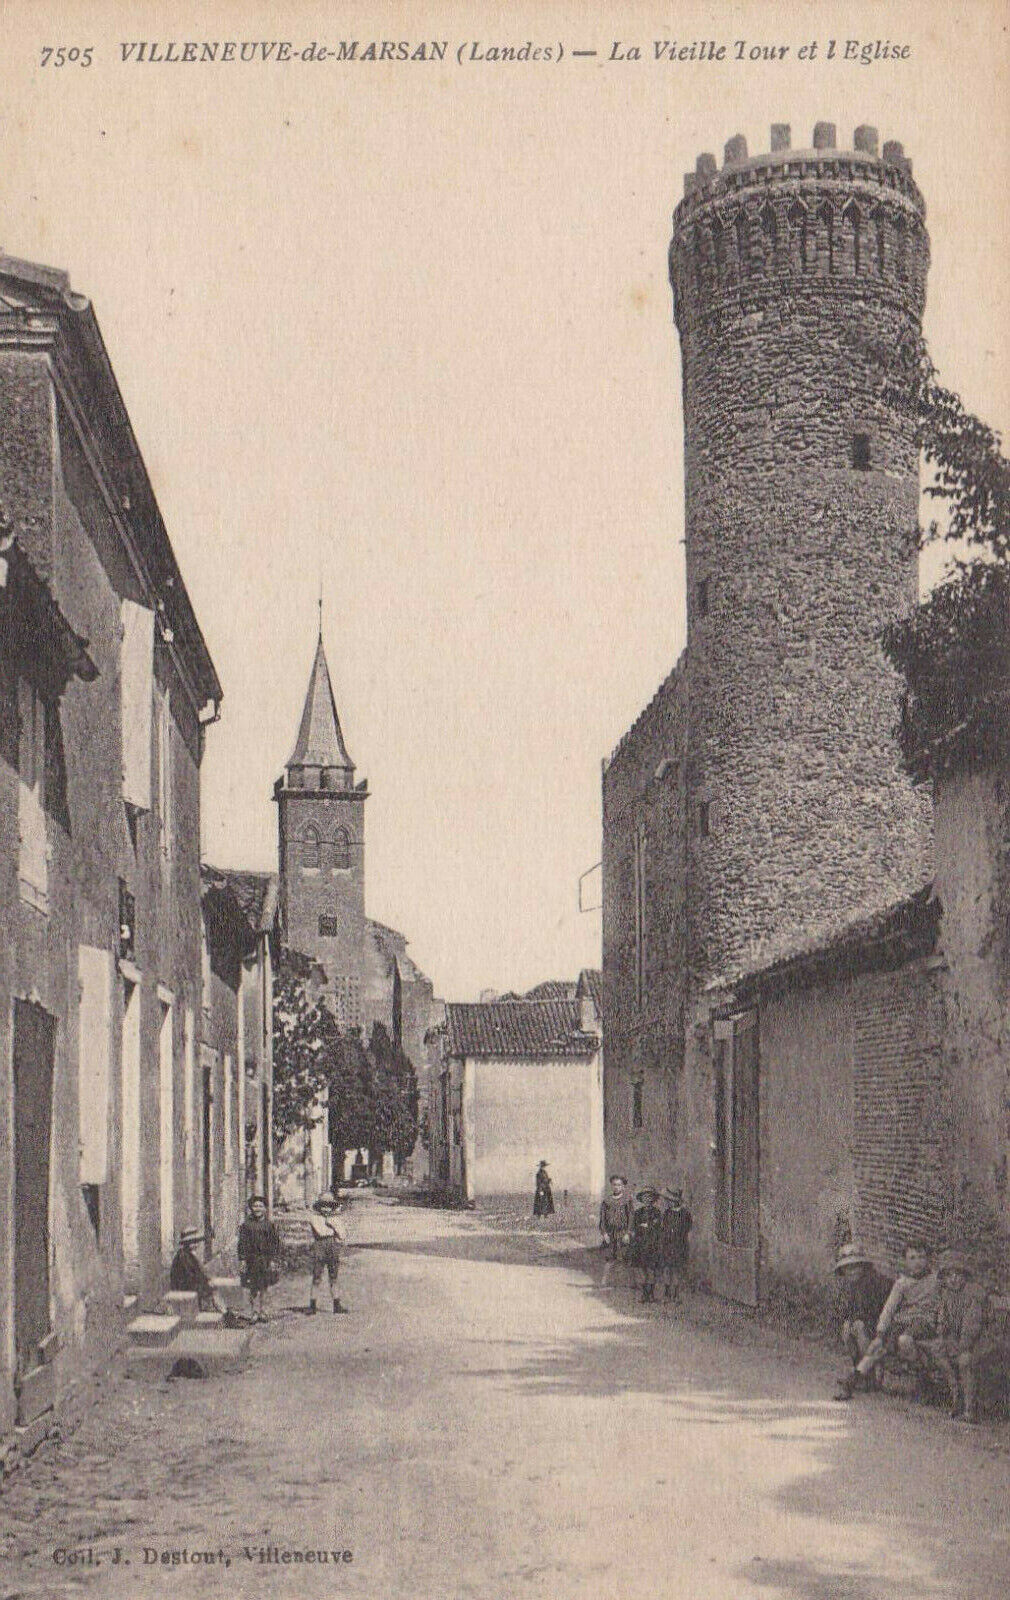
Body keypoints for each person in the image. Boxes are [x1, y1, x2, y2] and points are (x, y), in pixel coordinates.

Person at [836, 1239, 939, 1399]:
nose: (917, 1262)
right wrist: (880, 1335)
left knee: (904, 1340)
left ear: (928, 1260)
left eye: (921, 1257)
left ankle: (924, 1380)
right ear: (905, 1261)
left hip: (924, 1322)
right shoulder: (901, 1283)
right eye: (912, 1258)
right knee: (879, 1348)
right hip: (901, 1322)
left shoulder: (936, 1281)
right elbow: (889, 1310)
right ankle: (855, 1380)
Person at [923, 1250, 994, 1424]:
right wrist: (943, 1335)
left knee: (964, 1360)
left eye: (958, 1275)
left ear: (965, 1276)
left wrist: (960, 1347)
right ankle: (956, 1393)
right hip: (958, 1339)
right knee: (936, 1349)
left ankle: (969, 1409)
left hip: (982, 1340)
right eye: (949, 1276)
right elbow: (944, 1321)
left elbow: (973, 1326)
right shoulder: (947, 1294)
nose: (953, 1279)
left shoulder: (974, 1294)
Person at [830, 1242, 893, 1399]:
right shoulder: (850, 1287)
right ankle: (859, 1370)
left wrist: (857, 1322)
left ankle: (869, 1375)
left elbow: (879, 1313)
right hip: (867, 1325)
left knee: (858, 1326)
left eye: (855, 1266)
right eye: (847, 1268)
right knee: (847, 1328)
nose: (851, 1271)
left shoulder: (876, 1283)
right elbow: (848, 1312)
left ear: (863, 1266)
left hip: (883, 1328)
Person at [237, 1194, 281, 1323]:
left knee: (264, 1286)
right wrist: (243, 1259)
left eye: (260, 1206)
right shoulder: (246, 1225)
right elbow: (242, 1243)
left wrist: (273, 1259)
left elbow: (275, 1243)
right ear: (251, 1208)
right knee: (253, 1287)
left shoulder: (269, 1225)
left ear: (265, 1209)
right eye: (255, 1206)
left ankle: (263, 1311)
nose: (257, 1209)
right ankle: (254, 1312)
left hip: (265, 1259)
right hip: (252, 1260)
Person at [308, 1191, 347, 1315]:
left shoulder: (336, 1219)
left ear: (332, 1207)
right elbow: (321, 1232)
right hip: (319, 1247)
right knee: (317, 1277)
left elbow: (343, 1235)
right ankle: (312, 1305)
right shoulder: (315, 1218)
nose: (326, 1208)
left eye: (329, 1206)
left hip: (333, 1248)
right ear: (319, 1207)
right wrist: (333, 1227)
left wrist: (333, 1225)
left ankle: (337, 1304)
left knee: (334, 1277)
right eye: (323, 1205)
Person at [169, 1227, 221, 1312]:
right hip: (183, 1286)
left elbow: (199, 1272)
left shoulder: (189, 1255)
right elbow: (191, 1275)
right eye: (193, 1242)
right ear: (187, 1243)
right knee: (210, 1290)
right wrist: (205, 1283)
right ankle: (221, 1311)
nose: (196, 1245)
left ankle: (221, 1311)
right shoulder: (183, 1256)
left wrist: (207, 1280)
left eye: (196, 1242)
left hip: (190, 1284)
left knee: (211, 1288)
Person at [632, 1186, 664, 1304]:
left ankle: (650, 1294)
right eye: (645, 1197)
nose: (647, 1199)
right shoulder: (637, 1213)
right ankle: (644, 1294)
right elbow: (635, 1227)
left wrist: (648, 1226)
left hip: (652, 1245)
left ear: (653, 1199)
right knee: (642, 1270)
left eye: (649, 1196)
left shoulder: (656, 1212)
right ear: (642, 1199)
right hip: (640, 1245)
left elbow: (658, 1227)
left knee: (651, 1270)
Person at [660, 1187, 693, 1303]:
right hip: (667, 1245)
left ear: (677, 1200)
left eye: (672, 1200)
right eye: (668, 1200)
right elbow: (663, 1228)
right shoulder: (667, 1213)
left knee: (677, 1269)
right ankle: (667, 1292)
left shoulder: (685, 1214)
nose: (669, 1202)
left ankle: (676, 1293)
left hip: (679, 1245)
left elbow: (688, 1229)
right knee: (667, 1269)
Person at [599, 1175, 632, 1287]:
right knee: (609, 1258)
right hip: (610, 1233)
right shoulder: (606, 1201)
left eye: (619, 1185)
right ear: (611, 1186)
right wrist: (604, 1233)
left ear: (623, 1187)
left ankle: (622, 1282)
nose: (616, 1187)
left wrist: (628, 1233)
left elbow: (631, 1218)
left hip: (623, 1232)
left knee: (623, 1257)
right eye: (614, 1185)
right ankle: (604, 1280)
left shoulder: (627, 1200)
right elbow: (602, 1219)